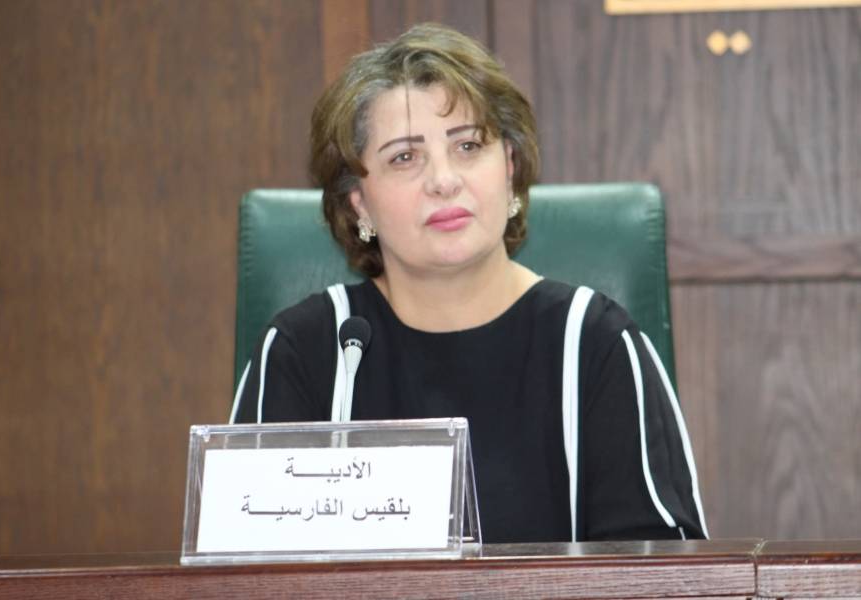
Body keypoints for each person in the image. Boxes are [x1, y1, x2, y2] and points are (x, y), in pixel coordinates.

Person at [230, 23, 707, 544]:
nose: (443, 180)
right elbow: (250, 565)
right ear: (358, 203)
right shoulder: (307, 353)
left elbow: (658, 571)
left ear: (509, 168)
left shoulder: (593, 346)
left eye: (468, 145)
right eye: (404, 157)